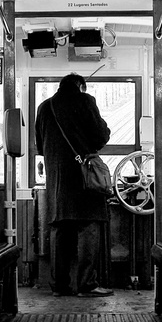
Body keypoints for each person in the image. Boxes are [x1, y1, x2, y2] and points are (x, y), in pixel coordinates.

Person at [35, 73, 114, 298]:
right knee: (88, 226)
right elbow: (100, 136)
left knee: (60, 229)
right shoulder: (85, 101)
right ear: (80, 86)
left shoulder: (44, 107)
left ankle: (59, 286)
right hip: (83, 177)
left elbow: (40, 146)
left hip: (56, 180)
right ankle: (86, 284)